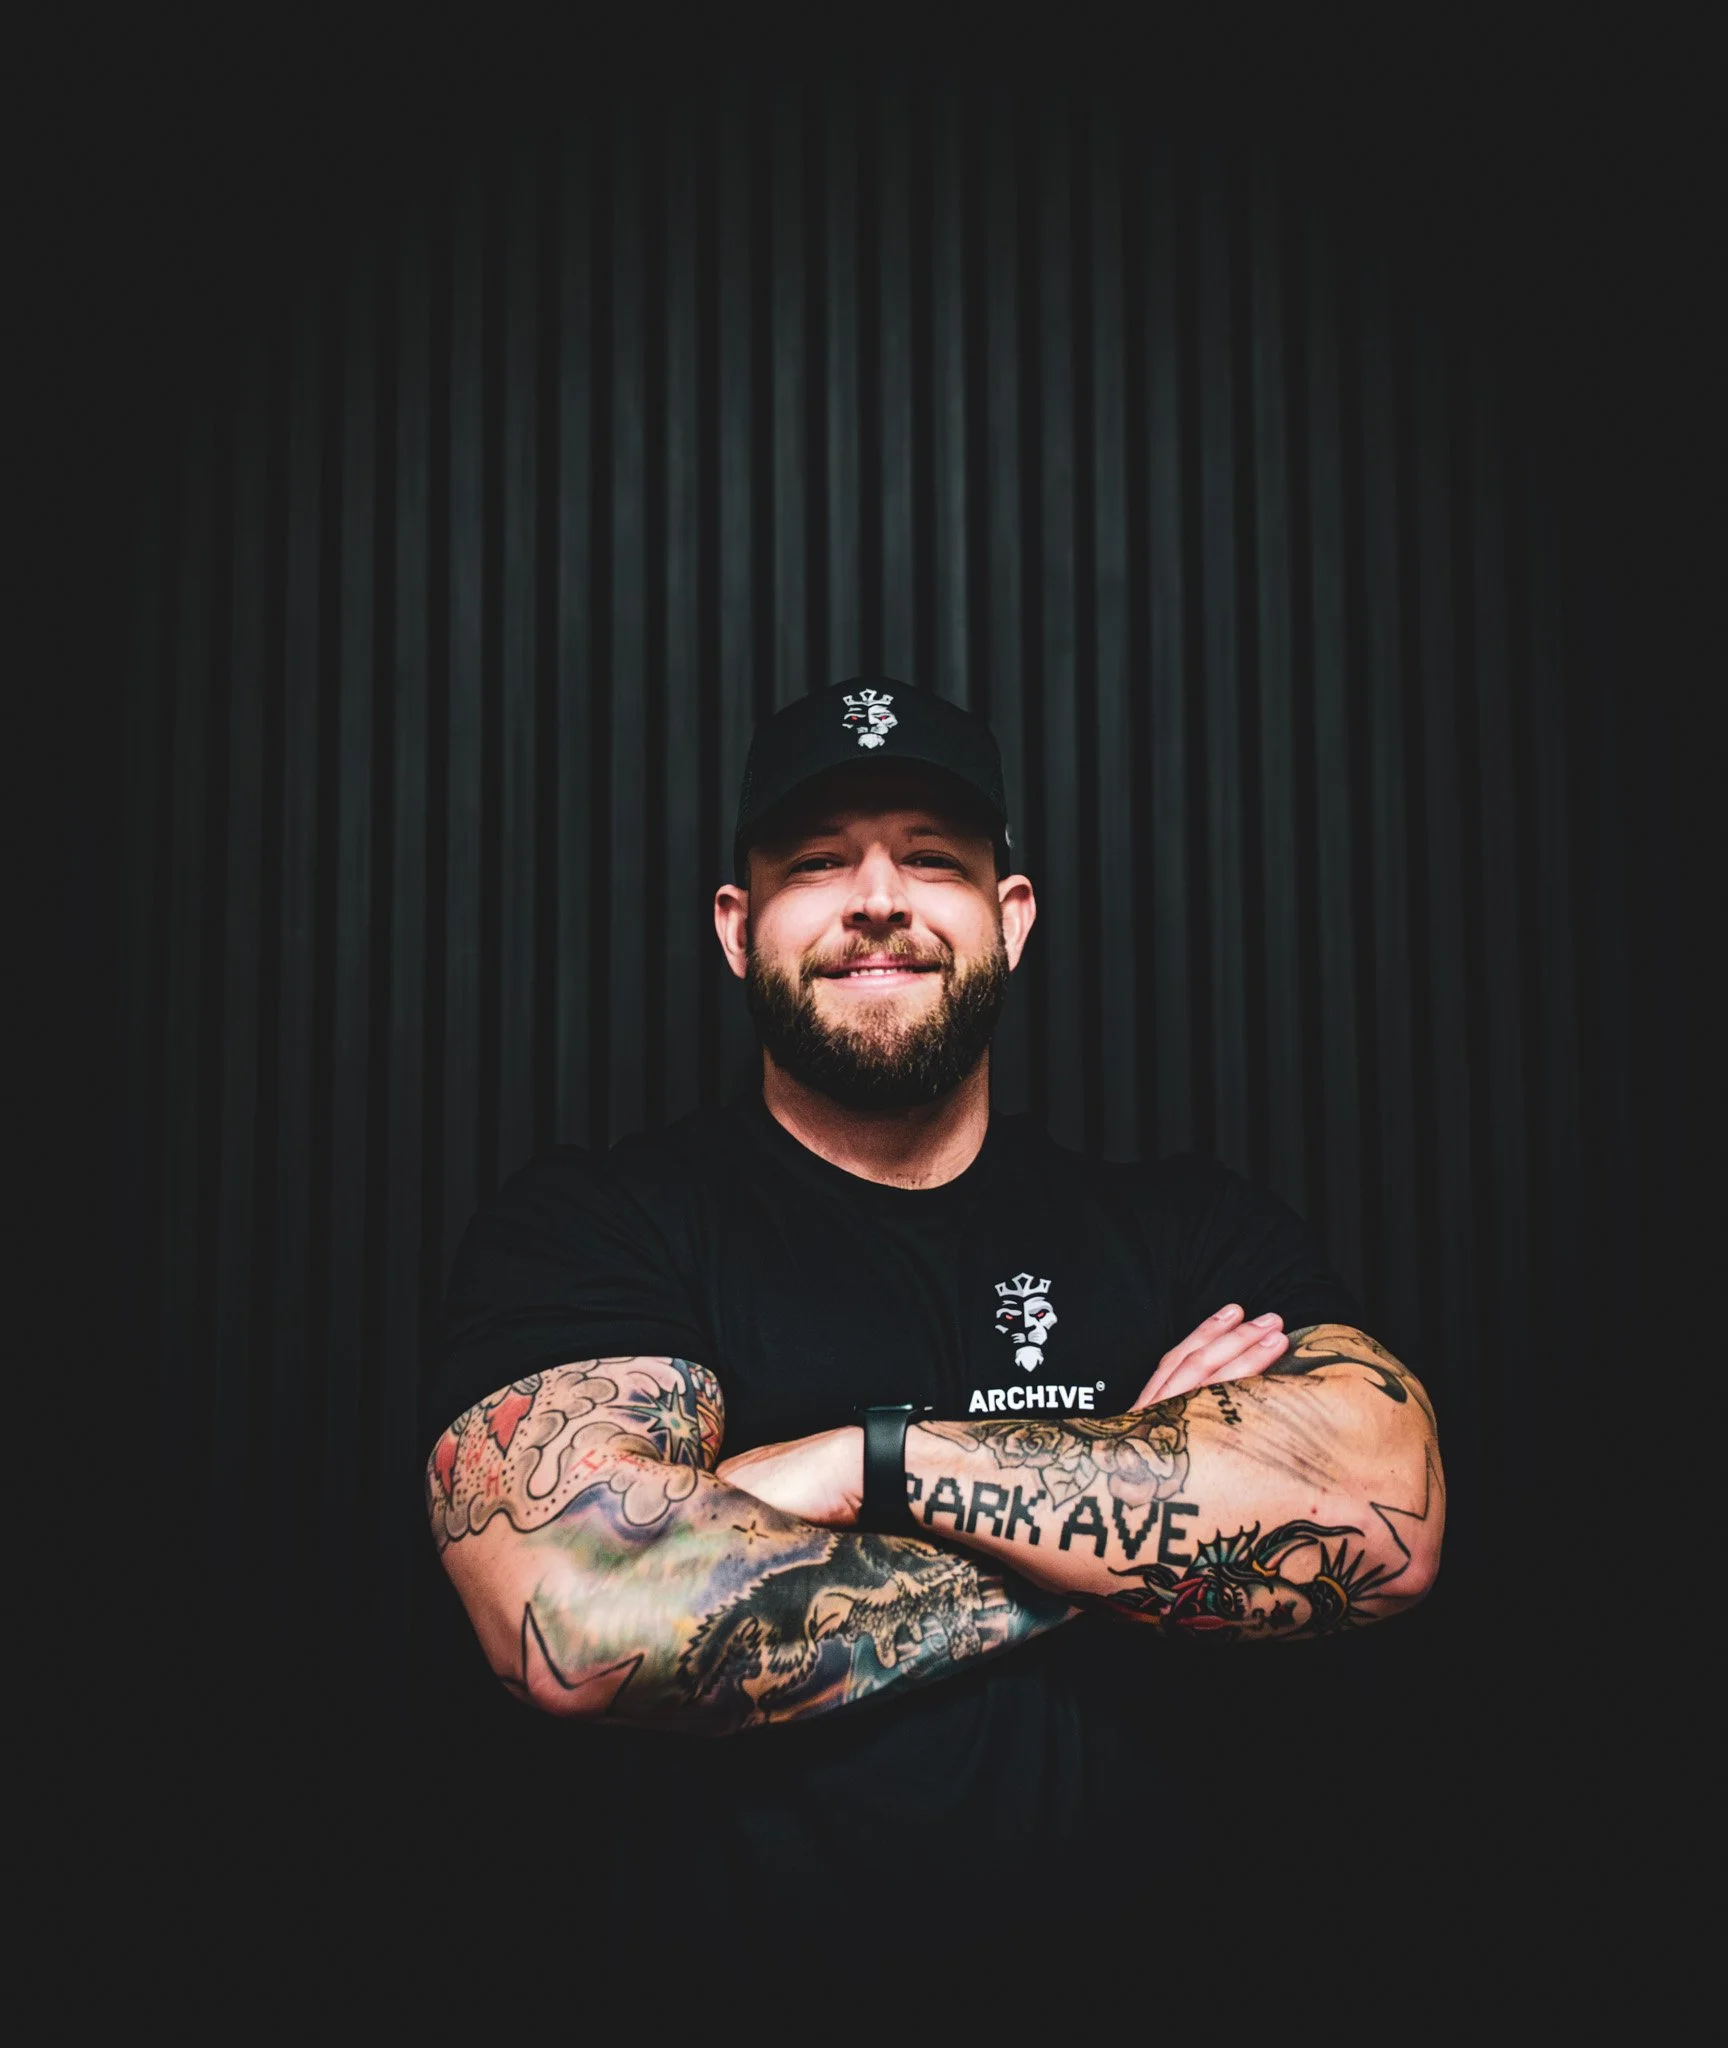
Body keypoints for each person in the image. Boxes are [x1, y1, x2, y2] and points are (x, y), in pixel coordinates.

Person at [420, 676, 1443, 1932]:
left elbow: (1385, 1519)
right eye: (816, 861)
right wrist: (1135, 1500)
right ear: (739, 927)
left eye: (932, 857)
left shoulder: (1183, 1229)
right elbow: (575, 1622)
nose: (879, 899)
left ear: (1011, 917)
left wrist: (867, 1462)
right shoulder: (596, 1228)